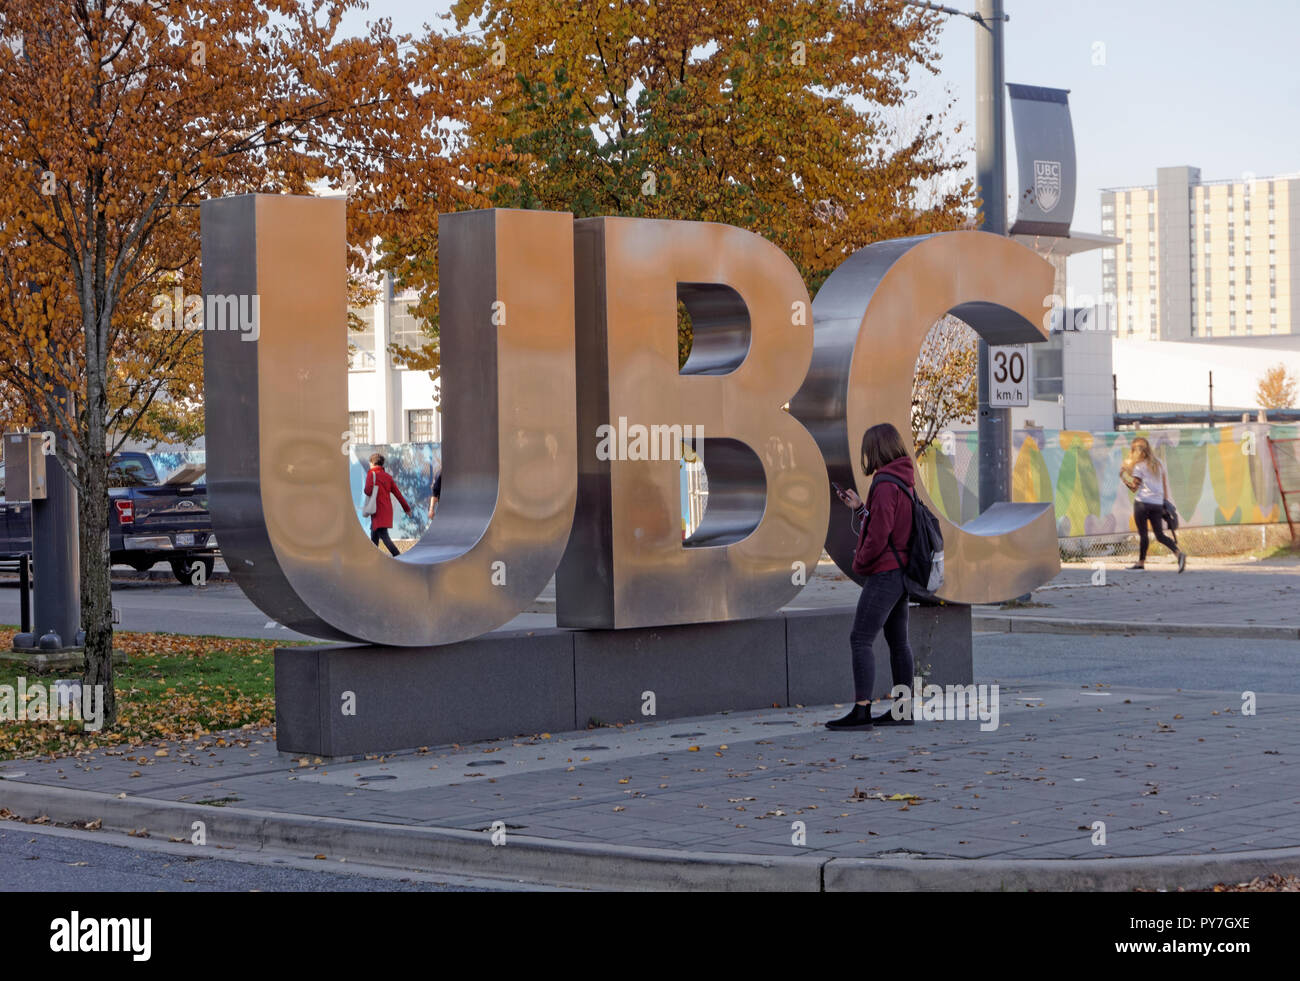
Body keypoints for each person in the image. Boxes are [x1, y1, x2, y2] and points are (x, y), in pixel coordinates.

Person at [826, 422, 916, 732]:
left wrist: (861, 561)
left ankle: (862, 710)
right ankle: (903, 709)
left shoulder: (884, 482)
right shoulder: (904, 479)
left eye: (867, 448)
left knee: (860, 638)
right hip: (903, 572)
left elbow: (879, 535)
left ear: (874, 450)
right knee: (898, 642)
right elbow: (890, 523)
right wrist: (861, 508)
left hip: (885, 574)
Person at [1119, 436, 1186, 573]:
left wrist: (1123, 476)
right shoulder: (1159, 463)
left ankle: (1140, 563)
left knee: (1143, 534)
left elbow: (1133, 488)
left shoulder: (1139, 466)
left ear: (1136, 452)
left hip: (1142, 503)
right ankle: (1178, 554)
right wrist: (1164, 502)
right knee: (1159, 535)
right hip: (1157, 503)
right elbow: (1164, 484)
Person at [364, 452, 412, 556]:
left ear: (372, 463)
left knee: (384, 537)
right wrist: (407, 509)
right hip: (386, 510)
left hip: (377, 510)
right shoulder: (388, 477)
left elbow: (367, 490)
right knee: (374, 535)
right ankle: (373, 558)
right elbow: (398, 494)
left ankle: (398, 556)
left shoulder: (371, 474)